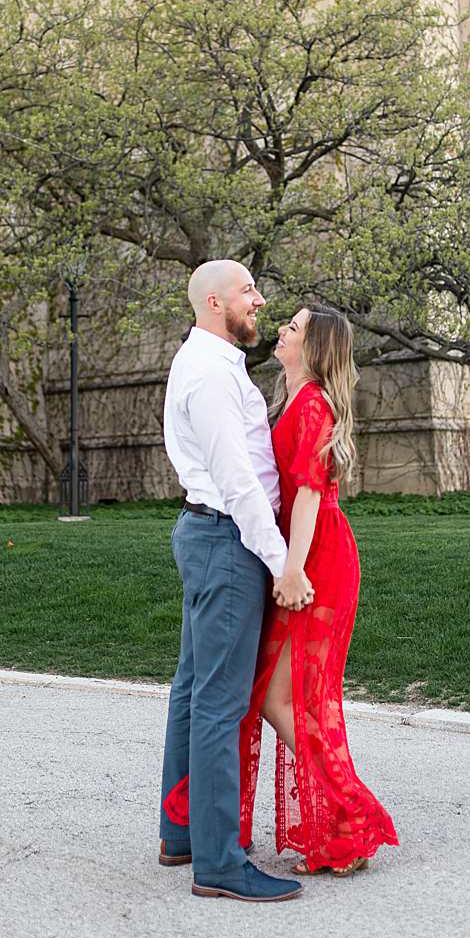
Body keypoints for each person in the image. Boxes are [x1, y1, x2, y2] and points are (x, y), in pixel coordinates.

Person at [157, 260, 314, 903]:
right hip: (227, 539)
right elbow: (238, 480)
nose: (261, 300)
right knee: (219, 702)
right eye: (250, 291)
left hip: (210, 533)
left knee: (194, 690)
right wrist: (282, 562)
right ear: (216, 303)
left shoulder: (211, 364)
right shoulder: (210, 375)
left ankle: (182, 833)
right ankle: (219, 863)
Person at [236, 304, 399, 876]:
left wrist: (292, 570)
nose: (281, 329)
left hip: (318, 558)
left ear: (316, 347)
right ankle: (341, 815)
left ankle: (349, 816)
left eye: (295, 328)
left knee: (290, 698)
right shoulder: (295, 400)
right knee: (283, 697)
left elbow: (307, 494)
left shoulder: (311, 404)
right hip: (307, 552)